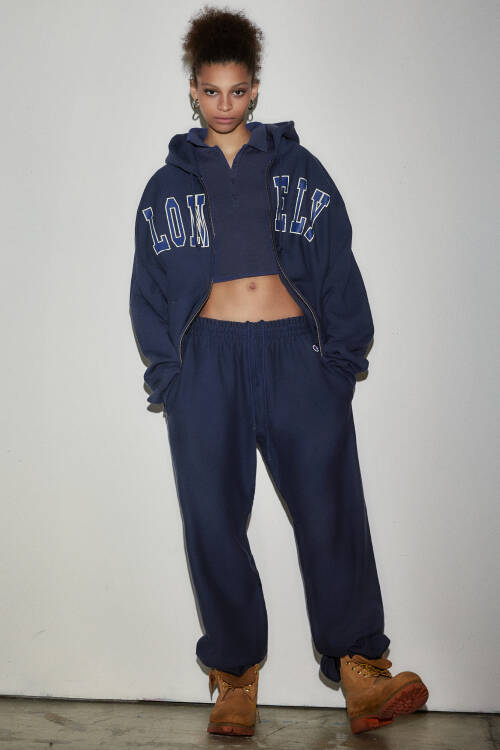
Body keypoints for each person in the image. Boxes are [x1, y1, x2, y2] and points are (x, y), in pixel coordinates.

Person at [129, 5, 429, 738]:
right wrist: (171, 378)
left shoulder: (299, 169)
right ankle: (234, 677)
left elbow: (337, 263)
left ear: (255, 89)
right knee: (212, 520)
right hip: (208, 361)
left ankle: (360, 671)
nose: (224, 105)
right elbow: (147, 289)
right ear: (193, 90)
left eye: (237, 91)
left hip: (295, 355)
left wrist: (339, 363)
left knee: (330, 509)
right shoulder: (166, 186)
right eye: (210, 91)